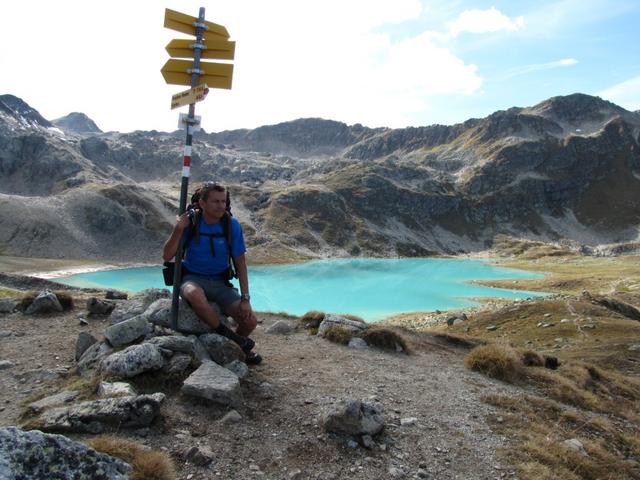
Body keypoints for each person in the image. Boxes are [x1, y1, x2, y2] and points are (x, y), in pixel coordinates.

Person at [162, 182, 261, 364]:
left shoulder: (232, 225)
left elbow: (241, 264)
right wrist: (178, 229)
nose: (221, 206)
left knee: (250, 321)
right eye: (216, 201)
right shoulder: (190, 223)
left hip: (220, 282)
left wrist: (245, 298)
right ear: (202, 203)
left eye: (224, 201)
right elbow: (167, 255)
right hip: (193, 278)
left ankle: (236, 348)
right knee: (193, 294)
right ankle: (234, 339)